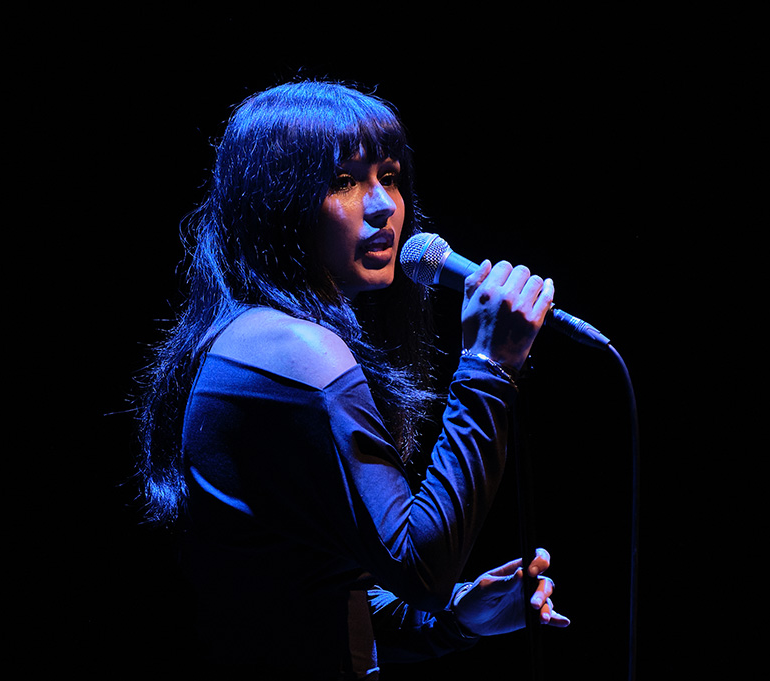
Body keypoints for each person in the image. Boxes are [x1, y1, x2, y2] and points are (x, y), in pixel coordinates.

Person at [136, 79, 569, 678]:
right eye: (344, 182)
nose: (383, 205)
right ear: (276, 204)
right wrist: (487, 368)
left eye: (389, 176)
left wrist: (455, 617)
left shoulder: (246, 338)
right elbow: (421, 567)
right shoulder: (293, 351)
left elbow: (309, 598)